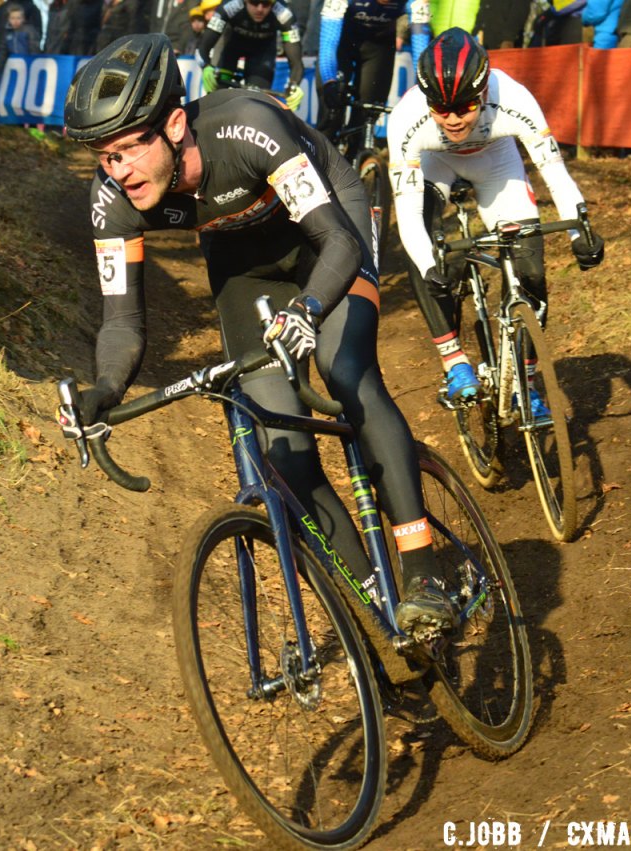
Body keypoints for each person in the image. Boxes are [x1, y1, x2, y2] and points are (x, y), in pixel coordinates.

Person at [62, 33, 457, 635]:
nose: (120, 171)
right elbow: (122, 321)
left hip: (328, 227)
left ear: (173, 124)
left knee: (345, 368)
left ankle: (423, 571)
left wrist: (310, 309)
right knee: (280, 441)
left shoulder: (246, 126)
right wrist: (105, 390)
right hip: (242, 260)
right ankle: (377, 606)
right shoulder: (112, 197)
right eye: (106, 157)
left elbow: (338, 243)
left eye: (130, 150)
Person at [388, 28, 604, 406]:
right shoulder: (407, 118)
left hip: (495, 162)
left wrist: (580, 232)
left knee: (530, 266)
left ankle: (526, 382)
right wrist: (427, 266)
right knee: (430, 252)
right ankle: (454, 362)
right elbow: (406, 213)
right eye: (440, 109)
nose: (453, 120)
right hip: (434, 165)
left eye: (465, 107)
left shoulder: (515, 98)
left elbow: (555, 172)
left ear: (484, 93)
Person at [316, 0, 405, 157]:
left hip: (378, 49)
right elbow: (328, 43)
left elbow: (421, 46)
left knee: (365, 116)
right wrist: (330, 81)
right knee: (330, 115)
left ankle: (354, 163)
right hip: (341, 45)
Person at [197, 0, 307, 108]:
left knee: (257, 103)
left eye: (266, 3)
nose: (260, 9)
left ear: (273, 3)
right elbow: (202, 48)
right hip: (231, 47)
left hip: (262, 52)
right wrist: (206, 66)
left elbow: (297, 63)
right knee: (217, 100)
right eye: (254, 2)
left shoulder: (284, 14)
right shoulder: (229, 7)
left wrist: (294, 85)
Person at [0, 4, 42, 84]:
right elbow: (2, 54)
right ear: (8, 19)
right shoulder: (7, 34)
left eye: (18, 18)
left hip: (28, 68)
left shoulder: (29, 31)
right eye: (12, 18)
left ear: (23, 19)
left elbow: (34, 50)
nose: (15, 21)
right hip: (15, 70)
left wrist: (33, 67)